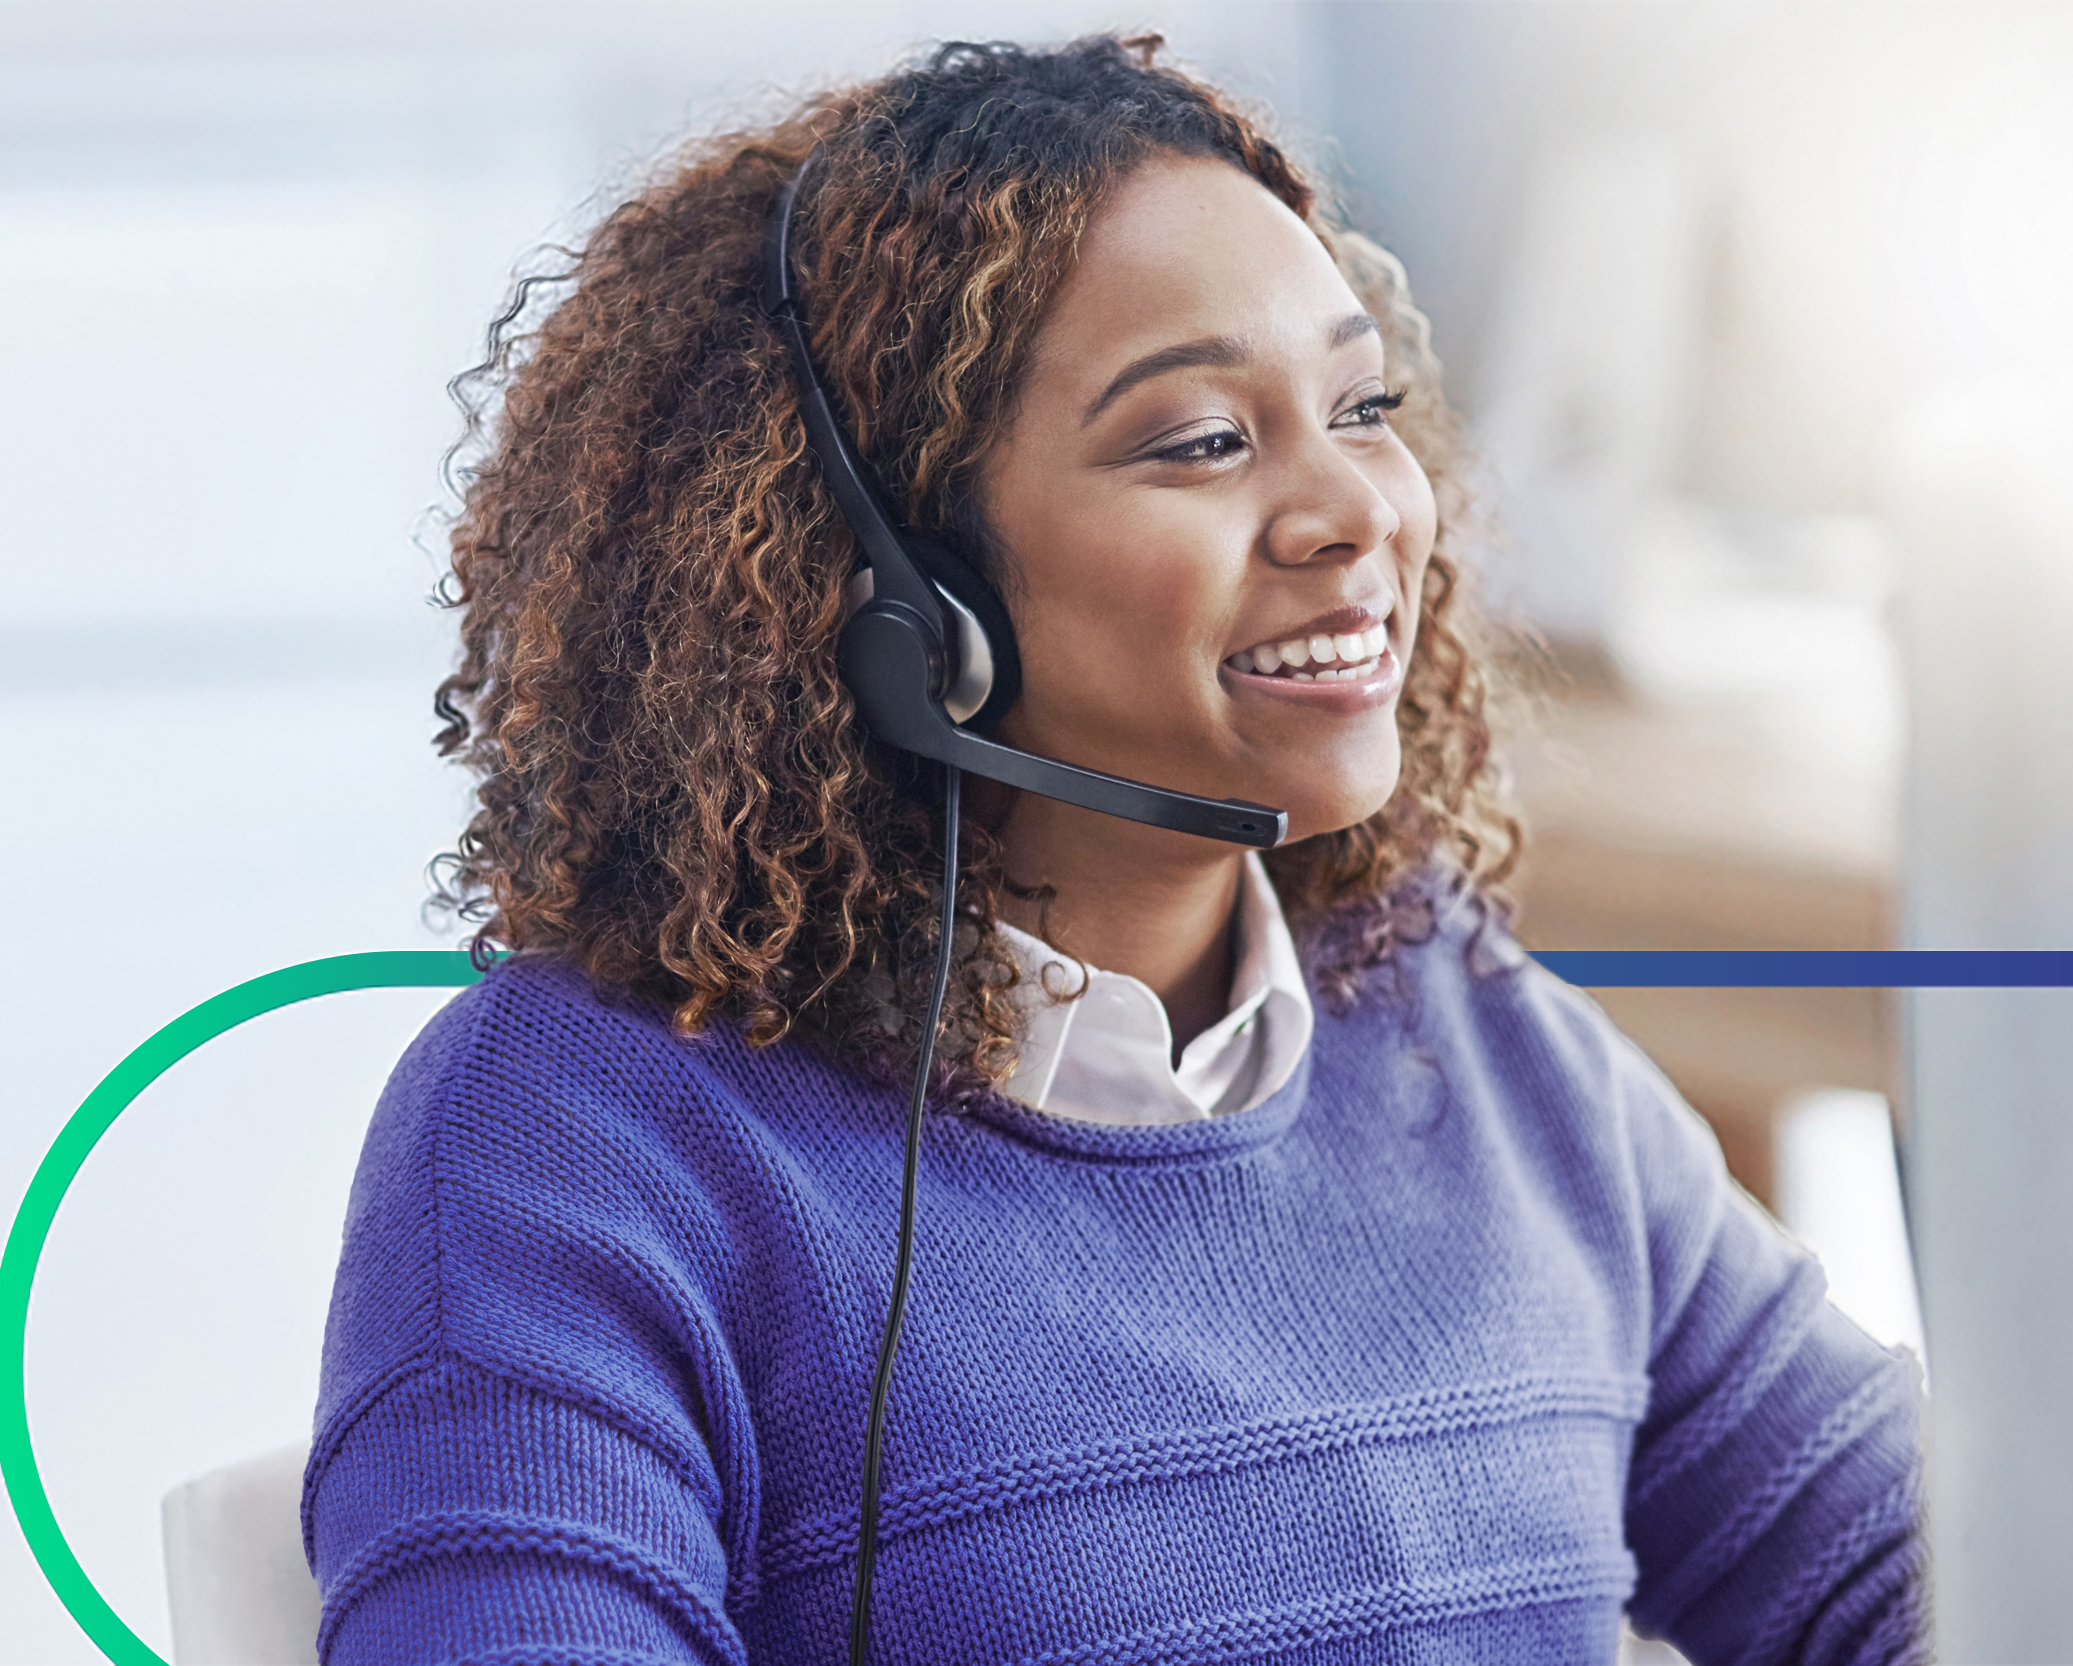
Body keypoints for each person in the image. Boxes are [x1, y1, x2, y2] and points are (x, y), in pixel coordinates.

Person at [308, 35, 1924, 1664]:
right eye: (1203, 440)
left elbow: (1920, 1577)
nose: (1355, 509)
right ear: (900, 603)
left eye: (1360, 407)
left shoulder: (1467, 1031)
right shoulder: (574, 1143)